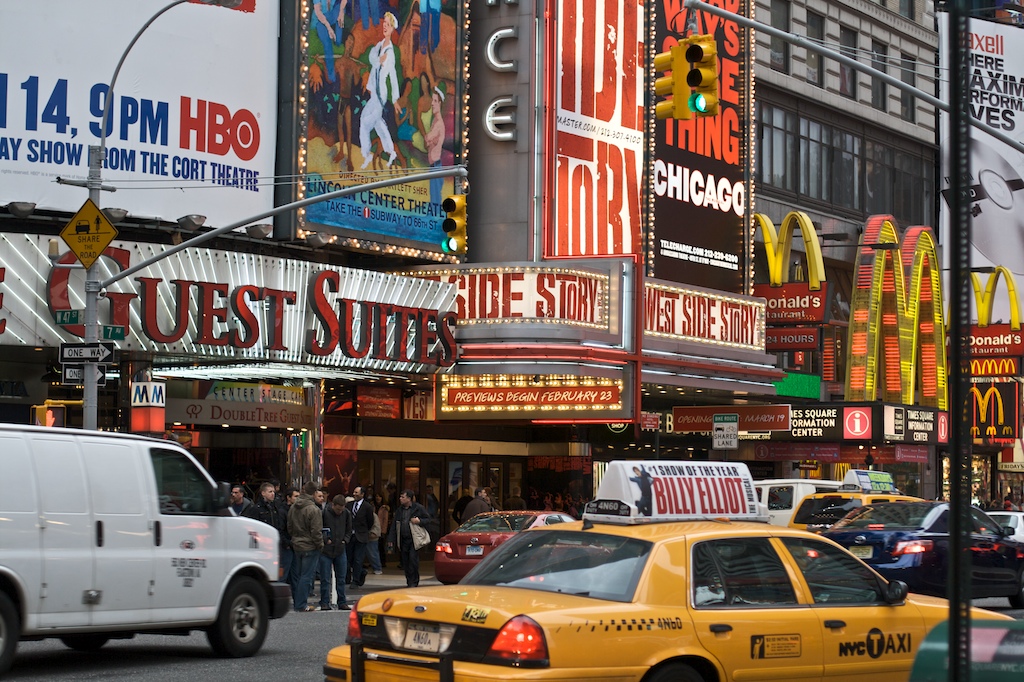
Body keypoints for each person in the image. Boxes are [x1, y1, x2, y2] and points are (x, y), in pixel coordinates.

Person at [359, 12, 400, 169]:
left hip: (380, 95)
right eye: (384, 23)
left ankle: (366, 154)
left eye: (388, 24)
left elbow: (393, 75)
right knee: (378, 124)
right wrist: (377, 61)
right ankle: (391, 152)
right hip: (374, 94)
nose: (385, 26)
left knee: (365, 122)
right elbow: (372, 58)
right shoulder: (379, 45)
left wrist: (395, 99)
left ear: (392, 29)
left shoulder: (390, 52)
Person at [288, 481, 324, 612]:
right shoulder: (314, 509)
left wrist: (295, 538)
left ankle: (297, 602)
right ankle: (301, 604)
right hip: (310, 545)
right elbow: (316, 531)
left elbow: (289, 526)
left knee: (298, 576)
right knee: (306, 576)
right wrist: (320, 545)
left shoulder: (293, 507)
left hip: (297, 544)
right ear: (315, 492)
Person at [387, 489, 433, 587]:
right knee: (405, 561)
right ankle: (409, 580)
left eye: (402, 497)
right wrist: (391, 540)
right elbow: (394, 525)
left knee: (413, 560)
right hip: (403, 539)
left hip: (413, 539)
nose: (400, 499)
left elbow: (428, 519)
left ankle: (414, 581)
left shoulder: (418, 508)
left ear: (409, 498)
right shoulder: (399, 510)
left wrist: (419, 521)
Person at [319, 495, 353, 611]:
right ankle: (324, 602)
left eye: (341, 509)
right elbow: (319, 528)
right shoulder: (324, 513)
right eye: (338, 509)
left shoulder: (346, 514)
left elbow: (349, 529)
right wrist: (325, 539)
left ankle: (342, 601)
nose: (340, 512)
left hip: (340, 548)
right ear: (333, 505)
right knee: (325, 578)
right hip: (326, 549)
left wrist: (345, 540)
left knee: (341, 578)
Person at [346, 485, 376, 586]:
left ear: (362, 494)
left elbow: (370, 521)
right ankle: (351, 576)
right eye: (354, 492)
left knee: (358, 559)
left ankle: (356, 580)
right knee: (349, 558)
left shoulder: (367, 507)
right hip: (350, 536)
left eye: (356, 492)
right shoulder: (349, 505)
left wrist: (364, 531)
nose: (354, 494)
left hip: (361, 536)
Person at [424, 84, 446, 204]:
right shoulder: (434, 121)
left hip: (436, 167)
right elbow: (426, 142)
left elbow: (427, 138)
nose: (432, 103)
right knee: (433, 198)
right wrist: (429, 140)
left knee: (435, 201)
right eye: (432, 100)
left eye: (435, 101)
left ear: (440, 103)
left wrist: (429, 140)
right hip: (433, 167)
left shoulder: (438, 124)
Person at [278, 486, 299, 587]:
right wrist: (286, 543)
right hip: (286, 546)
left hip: (294, 545)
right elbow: (280, 530)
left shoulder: (297, 510)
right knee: (283, 574)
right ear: (288, 497)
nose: (298, 499)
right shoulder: (282, 511)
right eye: (296, 496)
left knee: (295, 576)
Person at [375, 493, 390, 568]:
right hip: (374, 529)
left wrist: (383, 530)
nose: (378, 498)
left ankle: (382, 562)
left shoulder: (384, 508)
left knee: (381, 547)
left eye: (379, 496)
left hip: (381, 529)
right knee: (375, 547)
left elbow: (385, 520)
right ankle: (375, 561)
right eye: (376, 496)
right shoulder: (373, 506)